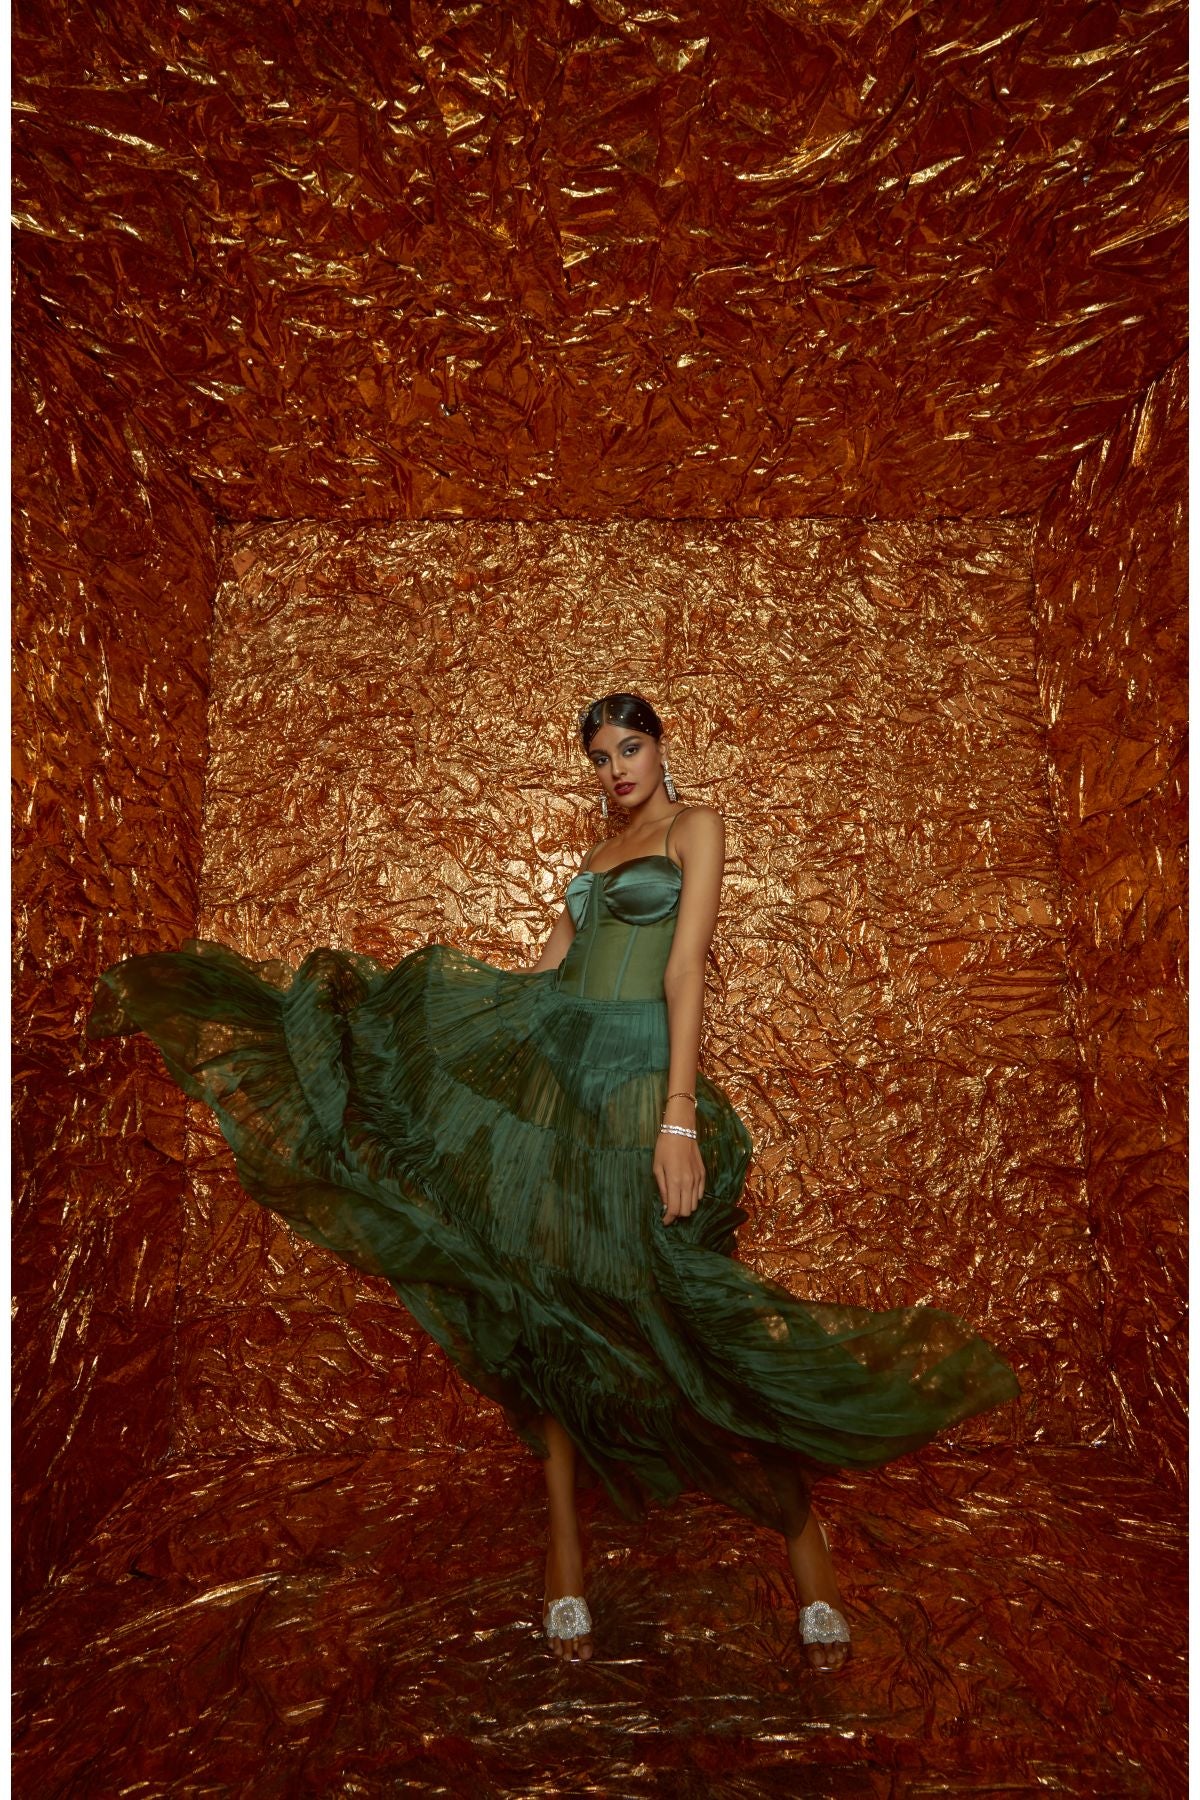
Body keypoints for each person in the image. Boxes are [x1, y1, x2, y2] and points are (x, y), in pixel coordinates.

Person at [86, 689, 1021, 1674]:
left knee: (681, 1319)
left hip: (637, 1084)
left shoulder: (695, 828)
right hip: (555, 1088)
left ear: (660, 747)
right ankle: (565, 1551)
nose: (616, 770)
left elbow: (686, 970)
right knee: (543, 1312)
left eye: (630, 748)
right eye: (601, 758)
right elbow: (542, 980)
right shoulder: (597, 856)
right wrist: (455, 1061)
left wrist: (676, 1118)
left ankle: (805, 1546)